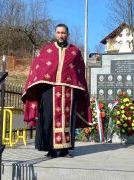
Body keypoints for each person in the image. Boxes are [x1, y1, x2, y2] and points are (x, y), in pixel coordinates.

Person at [21, 24, 92, 159]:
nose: (61, 35)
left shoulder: (75, 52)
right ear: (55, 34)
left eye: (63, 33)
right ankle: (51, 150)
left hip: (68, 90)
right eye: (58, 32)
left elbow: (80, 72)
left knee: (67, 120)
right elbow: (37, 68)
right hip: (49, 90)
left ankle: (64, 150)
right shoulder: (47, 50)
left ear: (68, 34)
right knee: (48, 119)